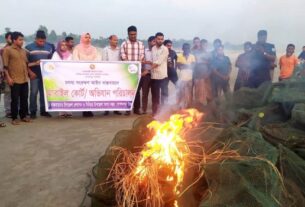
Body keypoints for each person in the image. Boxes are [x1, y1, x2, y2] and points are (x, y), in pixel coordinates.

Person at [2, 32, 31, 125]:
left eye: (23, 40)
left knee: (24, 98)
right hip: (14, 79)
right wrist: (8, 78)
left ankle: (23, 116)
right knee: (14, 99)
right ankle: (14, 118)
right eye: (20, 40)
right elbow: (5, 67)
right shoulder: (7, 50)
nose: (22, 42)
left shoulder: (23, 51)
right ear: (14, 40)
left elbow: (26, 64)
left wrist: (29, 73)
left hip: (24, 79)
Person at [73, 32, 101, 117]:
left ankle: (89, 109)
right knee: (83, 91)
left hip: (92, 73)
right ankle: (84, 109)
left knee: (90, 91)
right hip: (81, 74)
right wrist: (84, 67)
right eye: (86, 37)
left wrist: (91, 66)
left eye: (89, 37)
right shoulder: (77, 48)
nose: (88, 39)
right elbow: (75, 59)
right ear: (82, 38)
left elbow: (98, 59)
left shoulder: (94, 49)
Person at [26, 30, 53, 119]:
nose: (42, 43)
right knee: (33, 92)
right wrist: (30, 72)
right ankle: (33, 111)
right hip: (34, 74)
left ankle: (44, 110)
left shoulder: (49, 48)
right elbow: (25, 63)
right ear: (36, 39)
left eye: (43, 41)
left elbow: (51, 62)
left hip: (45, 75)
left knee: (44, 93)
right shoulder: (28, 47)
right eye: (40, 41)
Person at [120, 26, 145, 115]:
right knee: (128, 90)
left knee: (137, 90)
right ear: (128, 34)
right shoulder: (124, 44)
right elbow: (123, 57)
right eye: (131, 34)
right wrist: (131, 67)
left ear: (136, 33)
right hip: (127, 71)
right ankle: (127, 109)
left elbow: (142, 56)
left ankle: (137, 109)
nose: (133, 36)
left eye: (134, 34)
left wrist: (136, 67)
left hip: (138, 71)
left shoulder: (141, 44)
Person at [51, 40, 73, 118]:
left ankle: (69, 111)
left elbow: (71, 65)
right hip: (59, 76)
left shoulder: (70, 54)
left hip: (67, 77)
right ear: (59, 46)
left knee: (68, 93)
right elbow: (54, 64)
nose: (64, 46)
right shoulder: (56, 54)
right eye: (62, 45)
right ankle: (61, 111)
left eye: (65, 45)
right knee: (61, 93)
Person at [102, 35, 122, 116]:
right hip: (108, 73)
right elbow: (103, 61)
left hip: (117, 74)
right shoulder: (105, 50)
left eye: (117, 40)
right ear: (110, 40)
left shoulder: (120, 50)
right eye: (114, 40)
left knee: (116, 92)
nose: (116, 42)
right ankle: (106, 109)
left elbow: (121, 61)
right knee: (107, 92)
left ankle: (116, 109)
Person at [151, 32, 169, 115]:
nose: (160, 40)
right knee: (155, 96)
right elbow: (153, 61)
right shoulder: (153, 48)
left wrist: (147, 70)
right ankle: (155, 113)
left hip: (163, 76)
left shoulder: (165, 49)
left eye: (162, 39)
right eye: (158, 39)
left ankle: (164, 112)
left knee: (164, 96)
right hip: (154, 76)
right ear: (155, 39)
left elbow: (158, 62)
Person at [193, 39, 212, 105]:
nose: (205, 46)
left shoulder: (209, 54)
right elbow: (193, 63)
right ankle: (199, 106)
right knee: (198, 92)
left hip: (206, 75)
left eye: (206, 45)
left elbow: (211, 65)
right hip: (197, 75)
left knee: (208, 91)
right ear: (200, 45)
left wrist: (208, 74)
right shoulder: (195, 52)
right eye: (203, 44)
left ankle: (209, 106)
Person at [177, 43, 196, 108]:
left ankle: (189, 107)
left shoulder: (192, 56)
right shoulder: (179, 56)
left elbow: (193, 66)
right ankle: (181, 107)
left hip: (190, 78)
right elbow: (179, 67)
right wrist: (188, 65)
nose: (186, 49)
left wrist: (184, 65)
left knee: (190, 93)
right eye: (185, 48)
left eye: (188, 48)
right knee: (182, 93)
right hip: (182, 78)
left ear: (189, 49)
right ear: (182, 49)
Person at [140, 36, 156, 114]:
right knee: (145, 93)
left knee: (154, 93)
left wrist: (149, 62)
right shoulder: (144, 51)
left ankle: (154, 110)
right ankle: (144, 110)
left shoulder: (157, 51)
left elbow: (157, 63)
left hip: (155, 74)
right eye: (153, 41)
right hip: (145, 75)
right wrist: (147, 62)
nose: (155, 43)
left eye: (155, 42)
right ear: (149, 42)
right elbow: (141, 60)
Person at [0, 32, 12, 118]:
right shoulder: (3, 50)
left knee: (16, 94)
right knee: (7, 93)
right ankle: (8, 111)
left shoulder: (18, 50)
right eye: (10, 38)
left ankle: (15, 109)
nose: (11, 40)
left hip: (16, 74)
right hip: (6, 75)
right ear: (6, 39)